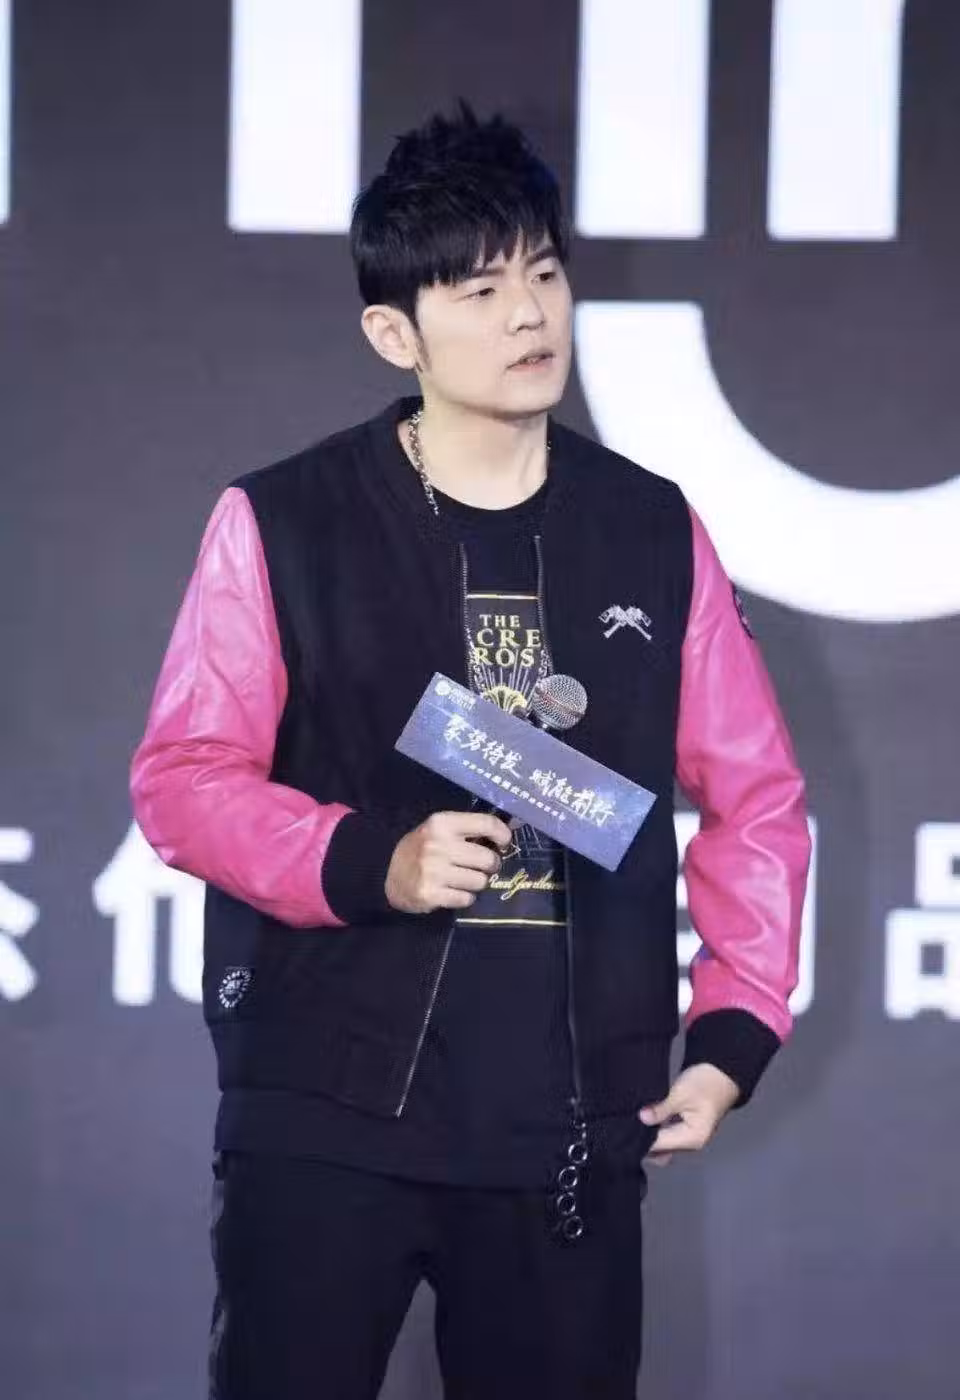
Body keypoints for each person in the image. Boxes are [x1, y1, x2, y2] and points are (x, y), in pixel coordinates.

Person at [130, 102, 811, 1400]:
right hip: (326, 1108)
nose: (527, 315)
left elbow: (757, 795)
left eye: (543, 273)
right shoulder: (284, 520)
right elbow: (183, 779)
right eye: (480, 289)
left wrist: (733, 1031)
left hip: (567, 1126)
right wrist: (367, 861)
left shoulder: (649, 527)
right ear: (396, 332)